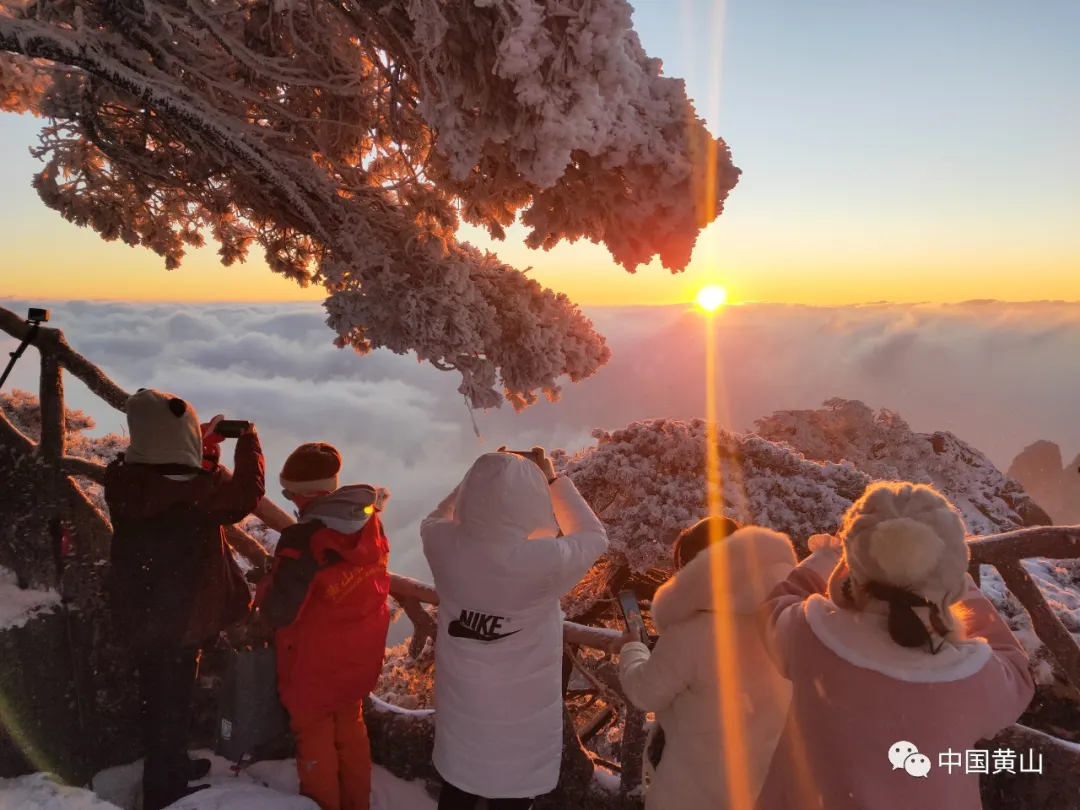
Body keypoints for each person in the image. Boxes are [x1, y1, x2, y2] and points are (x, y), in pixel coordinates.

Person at [756, 481, 1035, 810]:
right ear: (950, 582)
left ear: (851, 566)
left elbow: (775, 606)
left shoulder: (809, 633)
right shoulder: (970, 677)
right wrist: (965, 589)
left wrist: (826, 557)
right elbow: (1017, 672)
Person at [421, 447, 608, 810]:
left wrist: (480, 481)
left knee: (458, 789)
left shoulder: (443, 544)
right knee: (511, 797)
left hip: (463, 706)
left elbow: (434, 517)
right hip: (520, 722)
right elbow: (592, 535)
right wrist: (553, 481)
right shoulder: (541, 562)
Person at [104, 389, 264, 810]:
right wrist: (248, 439)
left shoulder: (123, 479)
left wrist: (201, 450)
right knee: (170, 704)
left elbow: (171, 478)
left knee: (158, 695)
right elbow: (246, 494)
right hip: (183, 617)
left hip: (139, 607)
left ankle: (172, 764)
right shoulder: (202, 491)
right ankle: (163, 790)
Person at [614, 517, 797, 809]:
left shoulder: (694, 628)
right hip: (766, 786)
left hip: (696, 790)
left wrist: (632, 648)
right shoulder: (789, 617)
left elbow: (646, 691)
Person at [256, 442, 391, 810]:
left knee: (314, 739)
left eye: (289, 493)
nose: (289, 501)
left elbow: (278, 612)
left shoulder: (304, 540)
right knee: (350, 730)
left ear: (309, 494)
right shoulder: (368, 521)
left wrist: (266, 583)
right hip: (358, 656)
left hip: (314, 665)